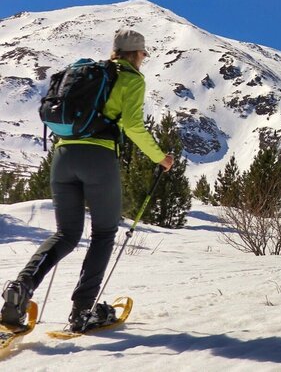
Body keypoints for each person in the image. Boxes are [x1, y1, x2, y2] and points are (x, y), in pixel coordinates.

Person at [1, 28, 173, 331]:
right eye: (143, 55)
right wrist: (160, 157)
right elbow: (133, 125)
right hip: (98, 159)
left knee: (65, 234)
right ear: (136, 54)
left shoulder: (90, 74)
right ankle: (83, 311)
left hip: (62, 158)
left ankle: (21, 288)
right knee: (103, 234)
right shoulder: (130, 78)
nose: (143, 59)